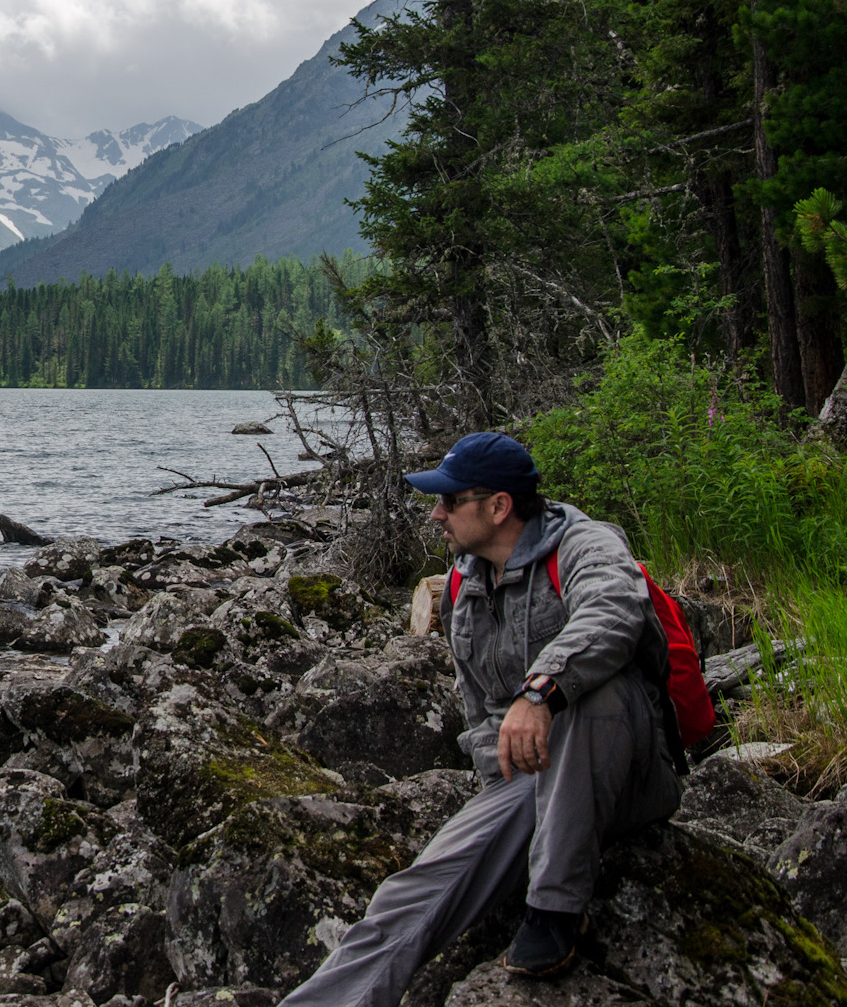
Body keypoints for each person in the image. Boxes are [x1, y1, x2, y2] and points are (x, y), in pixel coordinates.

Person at [278, 431, 683, 1007]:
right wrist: (501, 820)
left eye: (449, 501)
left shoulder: (585, 545)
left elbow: (615, 611)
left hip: (628, 770)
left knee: (592, 689)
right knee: (414, 892)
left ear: (498, 507)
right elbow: (481, 721)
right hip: (535, 784)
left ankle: (555, 912)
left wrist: (539, 692)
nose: (436, 514)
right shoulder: (466, 582)